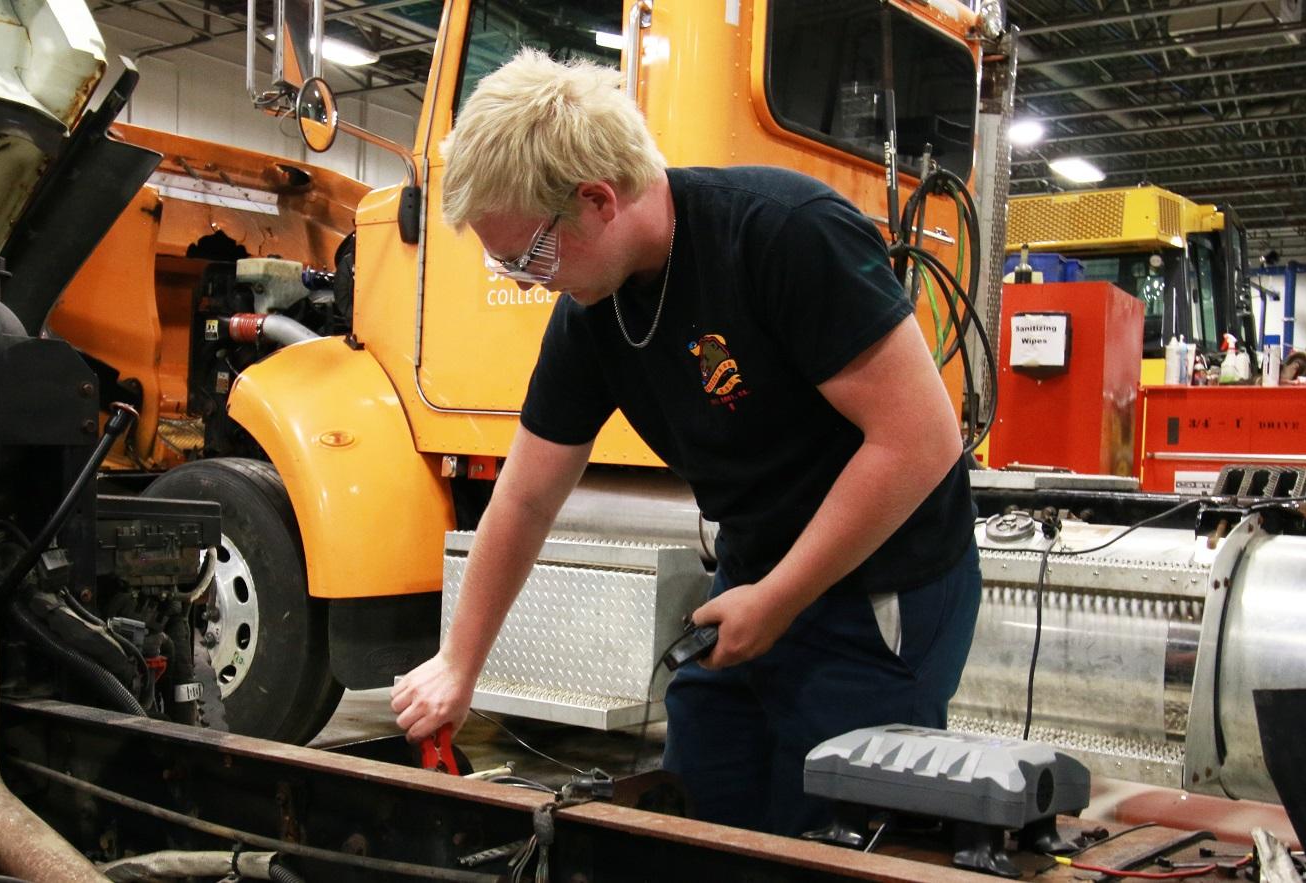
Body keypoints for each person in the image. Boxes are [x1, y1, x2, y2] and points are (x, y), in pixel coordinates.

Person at [389, 48, 981, 837]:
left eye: (528, 254)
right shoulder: (592, 314)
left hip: (881, 586)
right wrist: (459, 664)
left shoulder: (783, 235)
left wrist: (778, 598)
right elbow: (527, 495)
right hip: (755, 574)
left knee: (834, 834)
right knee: (699, 812)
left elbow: (918, 440)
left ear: (597, 199)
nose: (528, 280)